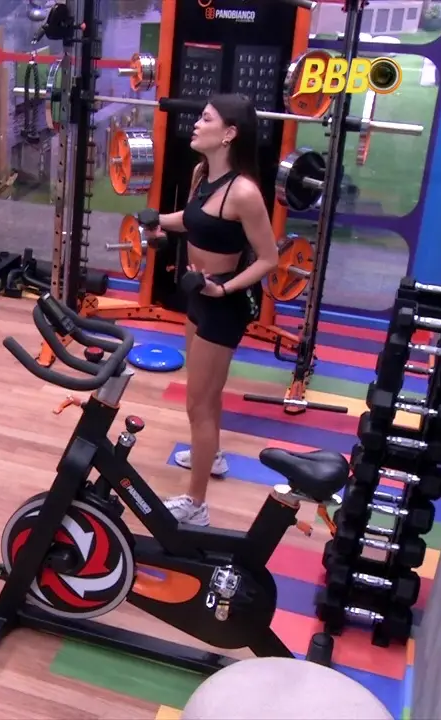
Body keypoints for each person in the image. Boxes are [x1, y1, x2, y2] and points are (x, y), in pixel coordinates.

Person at [147, 94, 279, 526]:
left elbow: (268, 259)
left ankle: (196, 504)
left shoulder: (244, 193)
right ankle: (214, 455)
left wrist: (223, 290)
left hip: (222, 306)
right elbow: (192, 219)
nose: (196, 124)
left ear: (229, 133)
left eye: (206, 119)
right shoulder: (202, 174)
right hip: (197, 296)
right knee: (205, 392)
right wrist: (156, 220)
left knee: (198, 406)